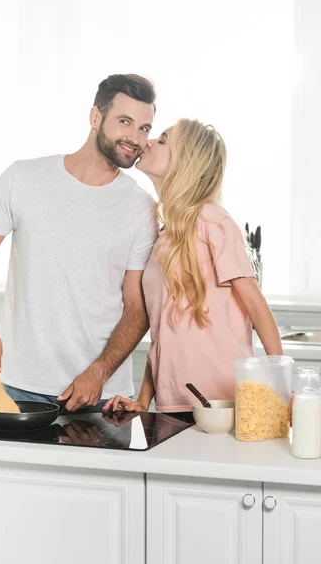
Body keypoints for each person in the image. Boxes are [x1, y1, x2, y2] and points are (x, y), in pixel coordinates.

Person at [0, 74, 158, 413]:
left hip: (102, 394)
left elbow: (137, 308)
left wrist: (99, 372)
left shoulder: (142, 208)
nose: (135, 138)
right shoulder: (23, 179)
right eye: (125, 122)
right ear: (96, 117)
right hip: (21, 386)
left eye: (144, 128)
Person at [103, 118, 283, 422]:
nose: (146, 142)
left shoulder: (213, 220)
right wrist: (144, 399)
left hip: (223, 403)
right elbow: (162, 327)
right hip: (172, 402)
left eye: (162, 141)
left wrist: (281, 384)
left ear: (185, 161)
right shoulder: (164, 236)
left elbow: (255, 304)